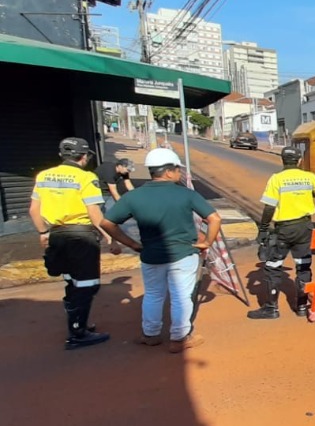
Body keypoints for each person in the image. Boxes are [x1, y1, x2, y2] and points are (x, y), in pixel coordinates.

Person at [101, 148, 222, 353]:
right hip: (183, 254)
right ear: (167, 172)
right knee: (181, 296)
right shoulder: (186, 194)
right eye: (177, 169)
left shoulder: (134, 196)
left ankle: (150, 335)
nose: (179, 173)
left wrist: (132, 244)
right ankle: (179, 338)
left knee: (153, 294)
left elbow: (107, 223)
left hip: (151, 255)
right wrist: (207, 242)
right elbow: (214, 218)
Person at [29, 137, 120, 350]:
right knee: (88, 286)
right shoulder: (86, 177)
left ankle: (78, 324)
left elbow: (33, 210)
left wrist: (43, 232)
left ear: (62, 155)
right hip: (81, 237)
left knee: (72, 282)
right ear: (84, 157)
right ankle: (78, 333)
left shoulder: (43, 176)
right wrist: (111, 238)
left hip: (57, 235)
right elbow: (95, 214)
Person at [248, 146, 315, 320]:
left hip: (283, 230)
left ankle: (271, 308)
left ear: (282, 160)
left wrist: (263, 229)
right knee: (303, 265)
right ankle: (302, 307)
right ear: (299, 161)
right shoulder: (309, 177)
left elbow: (269, 206)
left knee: (273, 266)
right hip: (304, 228)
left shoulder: (276, 179)